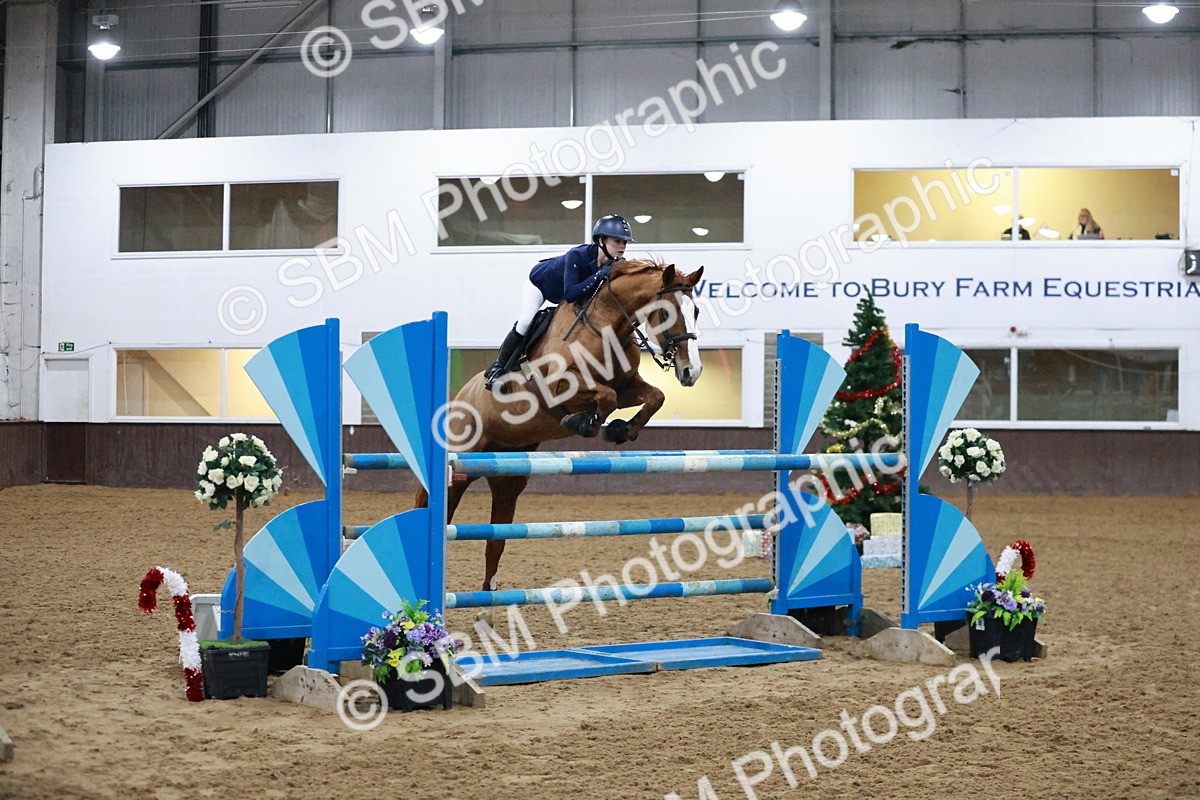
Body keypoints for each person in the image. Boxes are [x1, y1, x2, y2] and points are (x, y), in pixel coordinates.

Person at [483, 214, 636, 388]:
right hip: (541, 285)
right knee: (526, 322)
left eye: (625, 242)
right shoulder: (577, 255)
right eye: (617, 241)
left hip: (564, 297)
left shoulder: (616, 263)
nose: (622, 246)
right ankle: (498, 368)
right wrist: (597, 276)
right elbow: (570, 293)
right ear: (601, 240)